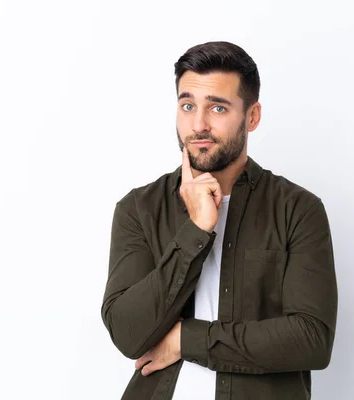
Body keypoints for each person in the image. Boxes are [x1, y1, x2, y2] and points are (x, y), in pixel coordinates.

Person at [101, 41, 337, 400]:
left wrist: (186, 340)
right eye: (188, 105)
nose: (199, 124)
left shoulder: (297, 210)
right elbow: (128, 333)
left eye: (218, 108)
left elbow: (311, 339)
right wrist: (195, 231)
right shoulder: (139, 208)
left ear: (252, 116)